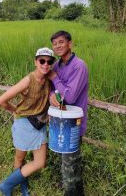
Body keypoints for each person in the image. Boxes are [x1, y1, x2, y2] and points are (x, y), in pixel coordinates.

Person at [0, 47, 55, 196]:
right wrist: (15, 109)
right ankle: (19, 185)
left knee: (40, 162)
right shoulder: (28, 80)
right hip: (24, 123)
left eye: (49, 61)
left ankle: (6, 185)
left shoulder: (49, 79)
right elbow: (1, 101)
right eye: (42, 60)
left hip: (39, 123)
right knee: (20, 157)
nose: (45, 64)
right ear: (36, 62)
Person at [48, 30, 88, 196]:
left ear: (70, 44)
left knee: (69, 164)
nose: (57, 46)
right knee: (68, 164)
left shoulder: (79, 66)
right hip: (59, 120)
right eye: (54, 43)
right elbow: (53, 91)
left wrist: (55, 78)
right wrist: (51, 95)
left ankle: (71, 192)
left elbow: (69, 97)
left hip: (73, 124)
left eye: (61, 42)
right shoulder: (57, 65)